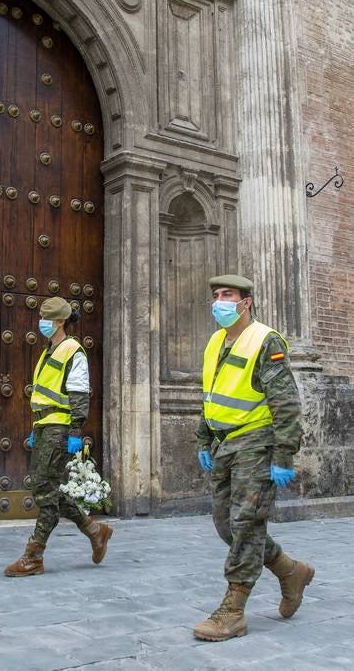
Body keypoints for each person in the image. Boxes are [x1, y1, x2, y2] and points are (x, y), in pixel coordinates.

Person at [193, 274, 314, 641]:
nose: (219, 301)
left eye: (227, 295)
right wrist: (204, 438)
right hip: (224, 442)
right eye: (216, 295)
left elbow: (286, 403)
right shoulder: (216, 341)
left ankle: (233, 609)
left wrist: (283, 455)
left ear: (246, 302)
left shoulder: (266, 340)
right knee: (224, 523)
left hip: (257, 443)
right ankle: (289, 569)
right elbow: (212, 393)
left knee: (246, 522)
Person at [4, 297, 113, 576]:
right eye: (40, 317)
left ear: (60, 322)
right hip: (45, 425)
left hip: (60, 428)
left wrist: (76, 430)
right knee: (48, 490)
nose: (41, 322)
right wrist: (35, 427)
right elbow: (45, 395)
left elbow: (78, 393)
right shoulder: (49, 350)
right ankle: (94, 530)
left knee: (43, 490)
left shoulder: (72, 350)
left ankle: (34, 556)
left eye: (46, 318)